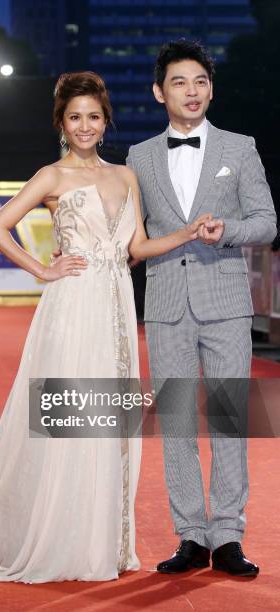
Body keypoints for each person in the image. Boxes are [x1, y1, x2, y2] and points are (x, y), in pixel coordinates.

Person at [0, 71, 210, 584]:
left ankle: (97, 541)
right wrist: (43, 269)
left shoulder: (125, 176)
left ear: (105, 120)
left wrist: (186, 232)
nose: (85, 126)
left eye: (93, 116)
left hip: (115, 307)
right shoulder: (52, 176)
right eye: (75, 118)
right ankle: (58, 538)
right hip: (71, 308)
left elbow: (136, 250)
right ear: (62, 124)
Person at [126, 40, 277, 577]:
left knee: (230, 420)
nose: (192, 92)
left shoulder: (240, 147)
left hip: (226, 303)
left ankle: (228, 536)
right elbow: (131, 233)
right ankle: (190, 535)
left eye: (200, 82)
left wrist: (227, 231)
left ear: (211, 89)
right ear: (158, 92)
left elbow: (266, 220)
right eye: (179, 82)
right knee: (175, 423)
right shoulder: (139, 156)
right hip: (166, 304)